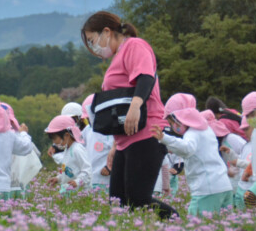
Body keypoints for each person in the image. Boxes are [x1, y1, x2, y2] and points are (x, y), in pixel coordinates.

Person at [82, 11, 175, 218]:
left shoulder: (134, 46)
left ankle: (176, 223)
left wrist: (136, 105)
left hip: (147, 132)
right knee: (118, 201)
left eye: (92, 40)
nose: (93, 47)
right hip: (125, 139)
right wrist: (115, 145)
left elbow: (145, 77)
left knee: (138, 198)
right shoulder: (118, 55)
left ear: (107, 32)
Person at [152, 108, 233, 217]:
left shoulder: (192, 133)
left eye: (171, 123)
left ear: (179, 119)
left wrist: (164, 138)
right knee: (223, 226)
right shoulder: (206, 129)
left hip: (207, 188)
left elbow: (187, 149)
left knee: (197, 225)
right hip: (224, 185)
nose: (172, 127)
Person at [45, 114, 91, 193]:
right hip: (68, 191)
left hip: (79, 193)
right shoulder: (67, 149)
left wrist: (78, 181)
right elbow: (69, 171)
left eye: (55, 138)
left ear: (66, 135)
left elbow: (88, 170)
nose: (54, 142)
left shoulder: (77, 149)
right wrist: (58, 178)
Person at [81, 94, 113, 191]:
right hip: (91, 178)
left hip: (105, 180)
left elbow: (117, 151)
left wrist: (110, 167)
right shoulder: (88, 130)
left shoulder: (110, 132)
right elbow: (79, 145)